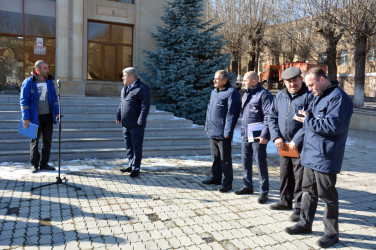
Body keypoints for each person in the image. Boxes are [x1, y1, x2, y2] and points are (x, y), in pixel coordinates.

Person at [285, 67, 353, 248]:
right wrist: (305, 117)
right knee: (308, 190)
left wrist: (306, 120)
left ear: (322, 79)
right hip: (310, 153)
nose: (309, 89)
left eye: (311, 84)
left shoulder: (339, 98)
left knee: (327, 195)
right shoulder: (318, 96)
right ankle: (305, 223)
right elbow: (312, 120)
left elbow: (334, 126)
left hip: (325, 156)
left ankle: (331, 234)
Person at [268, 67, 314, 221]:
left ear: (301, 79)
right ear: (284, 83)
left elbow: (309, 122)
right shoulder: (280, 96)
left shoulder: (308, 97)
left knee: (300, 178)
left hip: (300, 146)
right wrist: (276, 137)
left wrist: (297, 140)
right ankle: (284, 201)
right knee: (285, 174)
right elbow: (272, 117)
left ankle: (299, 208)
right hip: (284, 144)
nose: (292, 84)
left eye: (295, 80)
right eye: (289, 82)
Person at [236, 71, 273, 204]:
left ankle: (264, 191)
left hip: (258, 135)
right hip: (246, 133)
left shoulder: (264, 95)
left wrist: (264, 135)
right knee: (245, 160)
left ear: (253, 81)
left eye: (245, 80)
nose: (243, 83)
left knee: (260, 162)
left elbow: (269, 116)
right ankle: (248, 186)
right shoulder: (246, 94)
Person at [203, 70, 241, 193]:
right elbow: (209, 110)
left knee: (225, 159)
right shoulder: (214, 92)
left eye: (216, 79)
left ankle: (227, 182)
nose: (214, 81)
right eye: (214, 78)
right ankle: (216, 177)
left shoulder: (231, 92)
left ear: (224, 80)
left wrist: (228, 131)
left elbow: (232, 114)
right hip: (213, 131)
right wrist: (207, 127)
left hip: (223, 133)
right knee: (215, 157)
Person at [20, 60, 59, 173]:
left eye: (47, 68)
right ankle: (34, 164)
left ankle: (44, 163)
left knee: (47, 141)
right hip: (34, 117)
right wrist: (25, 117)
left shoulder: (50, 81)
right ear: (37, 70)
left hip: (48, 117)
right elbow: (24, 101)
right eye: (45, 68)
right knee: (34, 141)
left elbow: (54, 98)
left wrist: (56, 112)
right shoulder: (28, 82)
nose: (47, 70)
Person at [117, 67, 150, 178]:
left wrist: (141, 120)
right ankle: (131, 164)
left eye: (124, 76)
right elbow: (121, 104)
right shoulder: (124, 88)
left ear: (131, 76)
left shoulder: (142, 88)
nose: (122, 78)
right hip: (125, 123)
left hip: (136, 124)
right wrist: (118, 115)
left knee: (136, 146)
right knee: (129, 146)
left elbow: (145, 106)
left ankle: (136, 168)